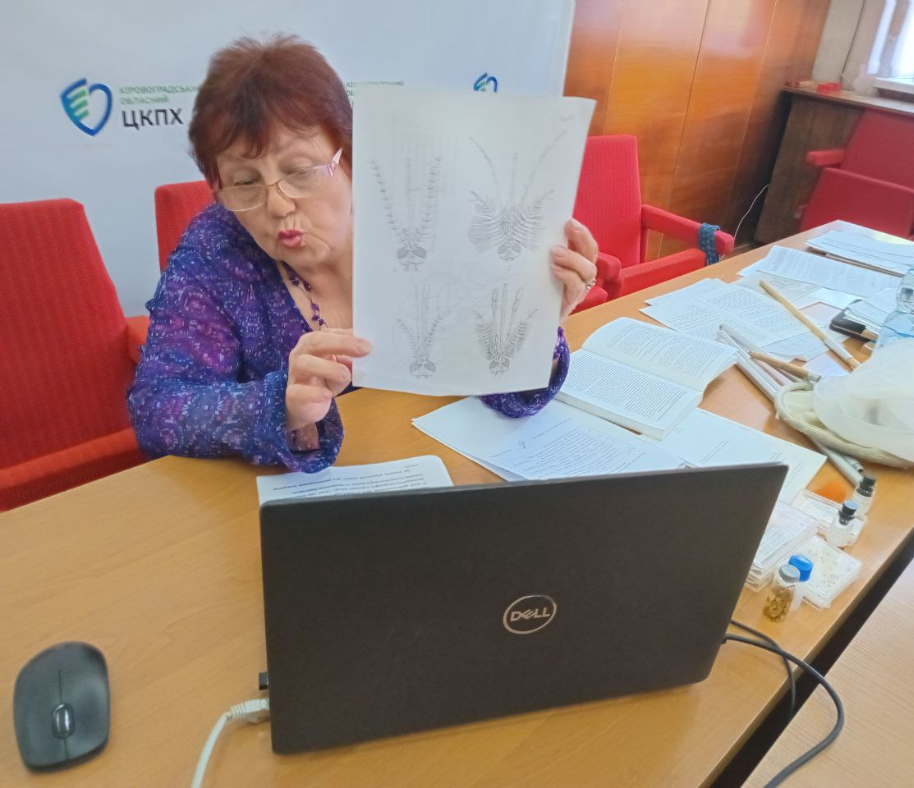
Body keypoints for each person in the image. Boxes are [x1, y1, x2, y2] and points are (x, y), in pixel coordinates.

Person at [128, 35, 599, 473]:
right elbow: (157, 408)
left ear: (350, 156)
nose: (277, 204)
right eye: (245, 182)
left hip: (440, 468)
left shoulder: (418, 217)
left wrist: (528, 333)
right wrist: (278, 405)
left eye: (300, 170)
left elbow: (500, 391)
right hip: (298, 498)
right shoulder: (216, 248)